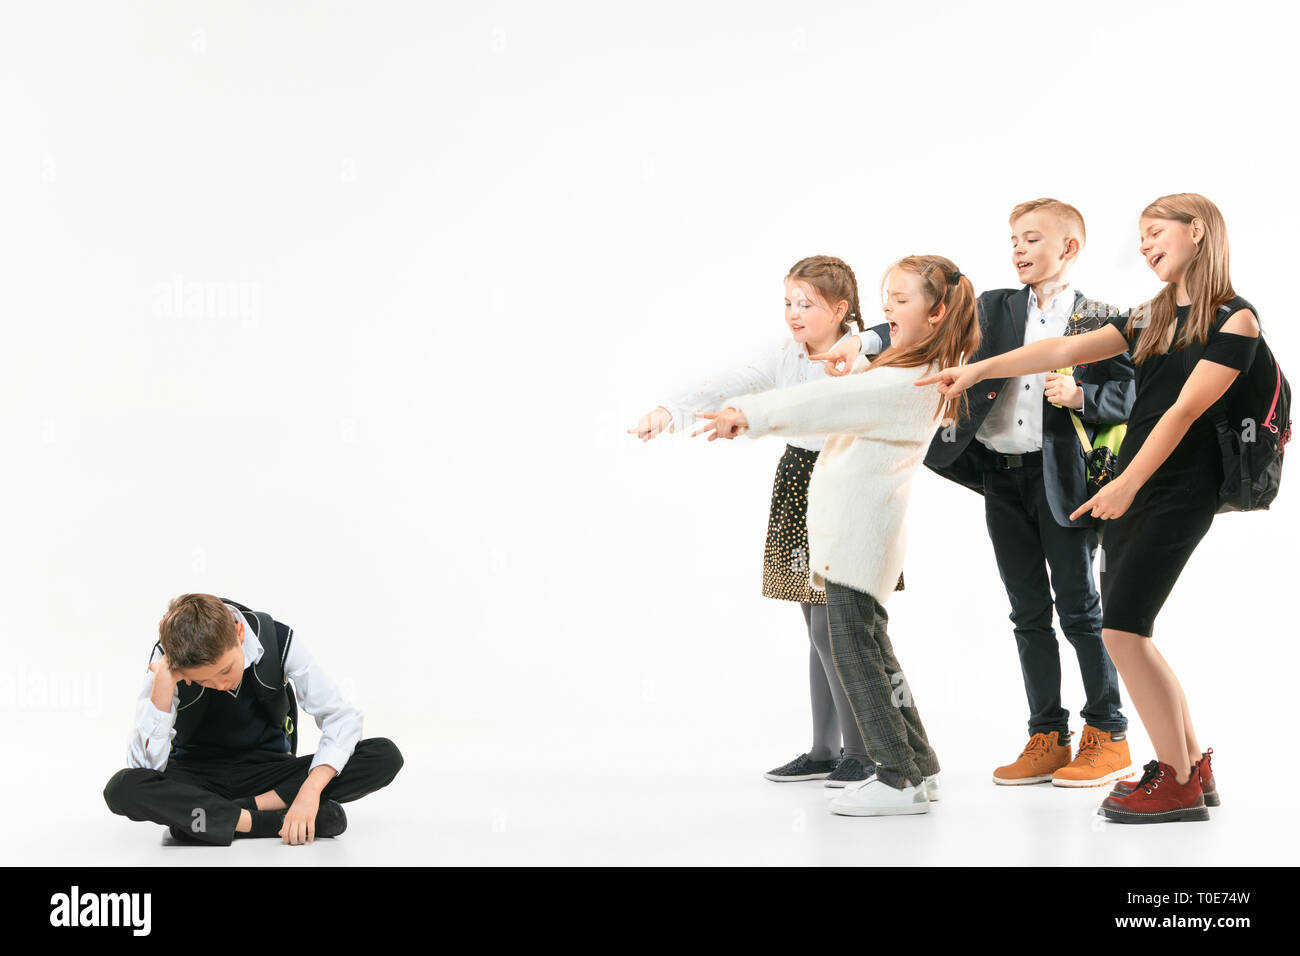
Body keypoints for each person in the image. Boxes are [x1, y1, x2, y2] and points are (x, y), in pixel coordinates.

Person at [917, 193, 1263, 823]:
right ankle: (1188, 763)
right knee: (1131, 633)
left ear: (1197, 232)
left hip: (1178, 488)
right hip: (1139, 487)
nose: (1145, 245)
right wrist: (977, 372)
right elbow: (1058, 352)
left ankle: (1176, 780)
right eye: (1140, 235)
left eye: (1156, 232)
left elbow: (1183, 412)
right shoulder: (1154, 314)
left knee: (1121, 630)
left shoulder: (1234, 319)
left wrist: (1126, 481)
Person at [816, 199, 1136, 788]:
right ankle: (1047, 735)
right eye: (1013, 238)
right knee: (1027, 613)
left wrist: (1084, 400)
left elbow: (1132, 397)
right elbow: (925, 325)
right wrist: (862, 343)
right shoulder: (994, 307)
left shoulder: (1102, 318)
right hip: (1002, 478)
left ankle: (1108, 734)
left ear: (1067, 248)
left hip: (1063, 481)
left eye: (1031, 238)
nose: (1016, 248)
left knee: (1081, 611)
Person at [696, 254, 981, 816]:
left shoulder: (905, 380)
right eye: (887, 298)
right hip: (867, 532)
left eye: (900, 300)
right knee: (874, 650)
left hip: (856, 535)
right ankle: (920, 766)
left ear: (937, 310)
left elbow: (823, 402)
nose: (887, 310)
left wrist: (747, 415)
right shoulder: (915, 368)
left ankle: (897, 778)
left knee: (851, 649)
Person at [629, 255, 893, 787]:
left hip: (850, 483)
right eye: (788, 303)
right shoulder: (785, 354)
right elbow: (731, 380)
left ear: (841, 310)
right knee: (812, 624)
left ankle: (865, 750)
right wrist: (670, 410)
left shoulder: (867, 355)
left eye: (807, 304)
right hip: (799, 480)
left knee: (838, 626)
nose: (794, 315)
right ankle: (826, 748)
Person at [103, 593, 403, 844]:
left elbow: (340, 716)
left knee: (383, 754)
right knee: (122, 787)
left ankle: (207, 821)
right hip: (198, 776)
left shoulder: (279, 639)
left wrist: (310, 791)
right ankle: (270, 822)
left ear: (239, 633)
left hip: (270, 773)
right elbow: (145, 770)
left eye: (224, 671)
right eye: (205, 681)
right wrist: (165, 685)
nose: (221, 685)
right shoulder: (166, 663)